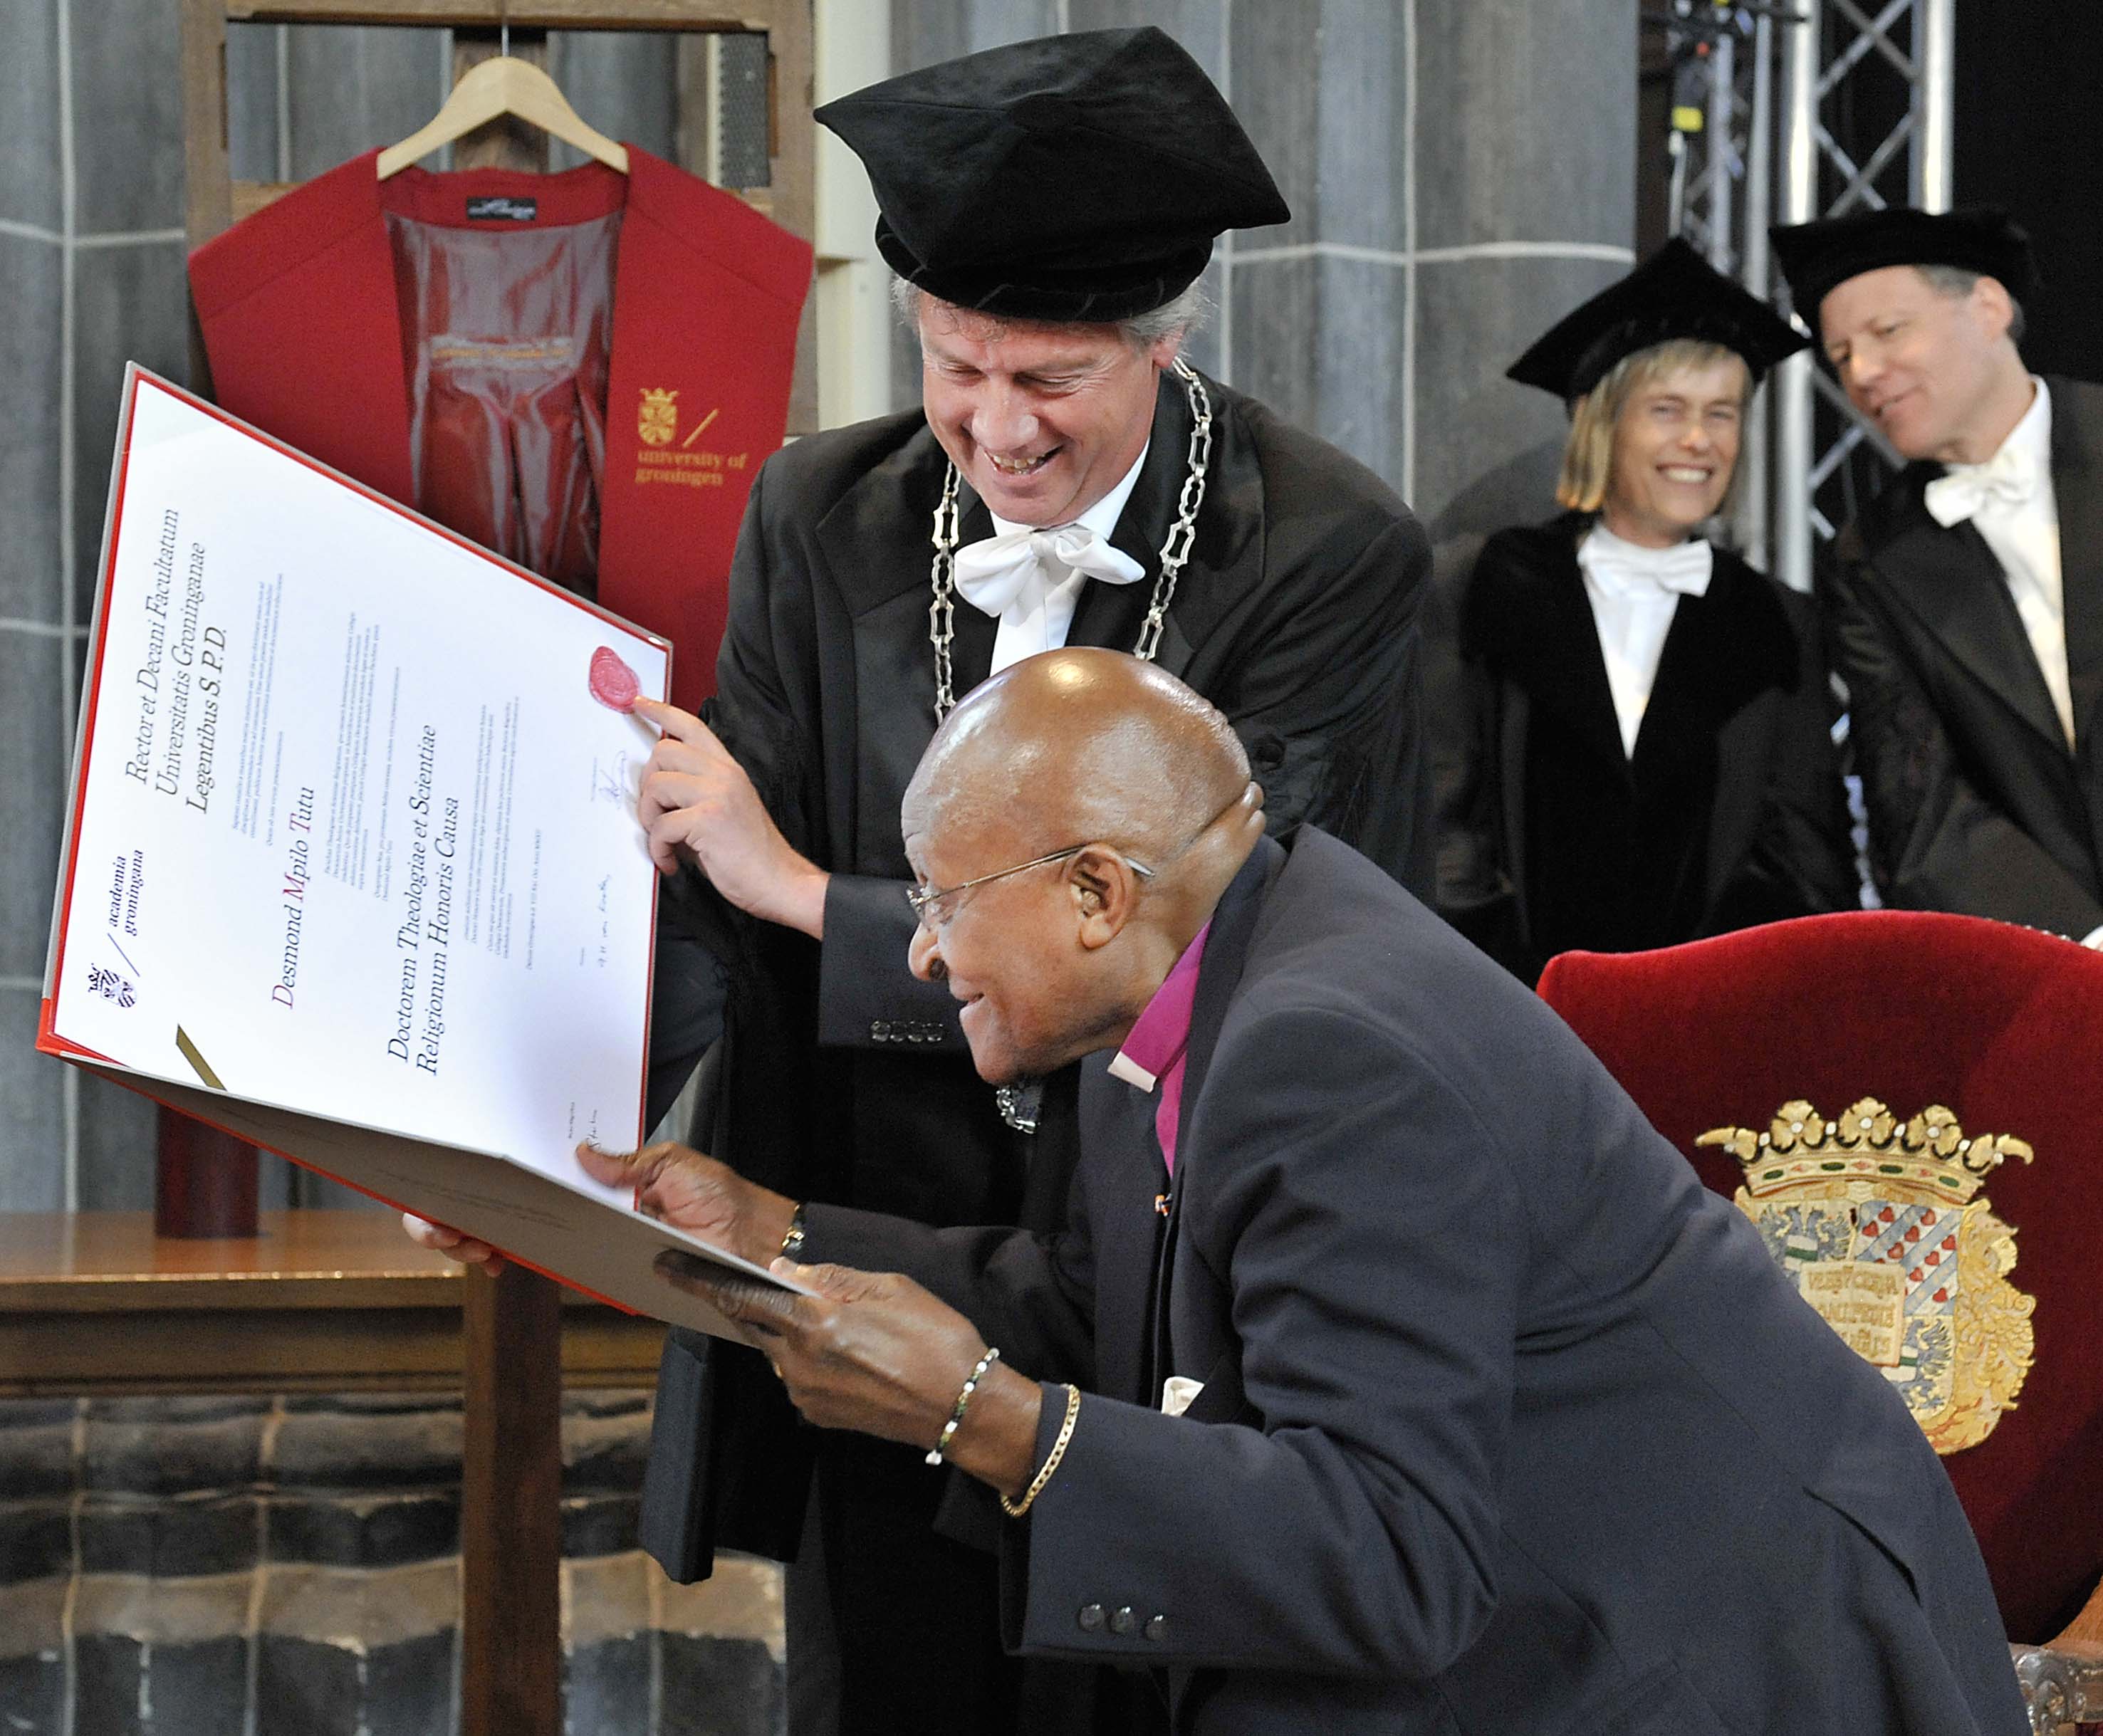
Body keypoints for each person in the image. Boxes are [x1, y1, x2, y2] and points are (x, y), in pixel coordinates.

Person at [414, 26, 1430, 1735]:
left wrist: (813, 890)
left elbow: (1191, 944)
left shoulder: (1323, 548)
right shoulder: (824, 511)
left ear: (1162, 342)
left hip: (1166, 1285)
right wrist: (522, 1117)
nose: (991, 425)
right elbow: (698, 895)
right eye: (954, 364)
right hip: (862, 1259)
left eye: (1046, 378)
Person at [583, 647, 2026, 1736]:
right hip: (1552, 1590)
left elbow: (1396, 1554)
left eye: (946, 901)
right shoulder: (1199, 968)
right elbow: (1106, 1303)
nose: (919, 956)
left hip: (1707, 1655)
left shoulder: (1328, 1051)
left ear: (1095, 890)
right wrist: (770, 1237)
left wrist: (989, 1419)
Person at [1430, 238, 1857, 983]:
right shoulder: (1489, 585)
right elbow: (1441, 819)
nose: (1699, 440)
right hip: (1504, 1007)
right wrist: (1492, 987)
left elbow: (1803, 855)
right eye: (1667, 410)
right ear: (1602, 423)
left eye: (1722, 414)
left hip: (1709, 1022)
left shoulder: (1770, 620)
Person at [1771, 206, 2103, 941]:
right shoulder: (1869, 560)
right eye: (1839, 355)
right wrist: (2084, 949)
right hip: (2054, 965)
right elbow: (1916, 805)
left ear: (1987, 307)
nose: (1860, 374)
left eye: (1887, 332)